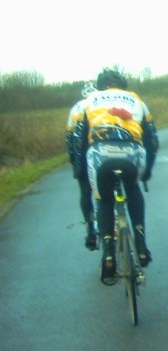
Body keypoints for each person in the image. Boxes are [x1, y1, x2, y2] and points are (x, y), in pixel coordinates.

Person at [73, 68, 159, 284]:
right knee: (133, 188)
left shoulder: (89, 100)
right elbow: (152, 138)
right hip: (131, 153)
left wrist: (80, 169)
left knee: (103, 200)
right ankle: (140, 244)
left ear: (101, 85)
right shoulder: (136, 99)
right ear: (123, 85)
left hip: (100, 154)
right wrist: (146, 171)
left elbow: (77, 139)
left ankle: (109, 254)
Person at [65, 80, 98, 250]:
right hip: (102, 153)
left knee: (85, 192)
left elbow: (69, 138)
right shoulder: (102, 103)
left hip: (83, 158)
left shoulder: (77, 108)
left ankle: (90, 228)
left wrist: (74, 162)